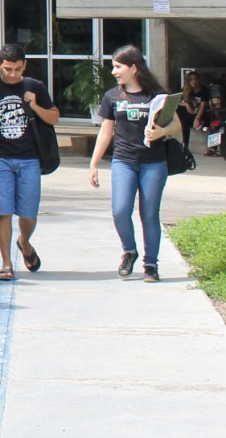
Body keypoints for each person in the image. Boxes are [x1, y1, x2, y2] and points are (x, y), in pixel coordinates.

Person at [89, 46, 180, 282]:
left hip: (154, 163)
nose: (114, 72)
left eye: (118, 67)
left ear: (134, 68)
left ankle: (151, 265)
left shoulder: (157, 95)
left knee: (149, 215)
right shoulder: (112, 96)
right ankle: (129, 251)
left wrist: (161, 132)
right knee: (120, 211)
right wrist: (94, 163)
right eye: (113, 67)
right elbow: (106, 133)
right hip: (123, 161)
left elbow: (176, 125)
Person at [0, 44, 59, 282]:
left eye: (18, 69)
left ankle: (24, 242)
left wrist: (35, 105)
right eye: (8, 69)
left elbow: (54, 117)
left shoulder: (34, 86)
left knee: (29, 214)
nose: (13, 75)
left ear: (25, 66)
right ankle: (6, 263)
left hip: (29, 159)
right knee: (3, 212)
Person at [177, 72, 206, 149]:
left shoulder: (204, 90)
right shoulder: (186, 90)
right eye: (191, 80)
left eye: (195, 79)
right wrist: (187, 105)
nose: (193, 81)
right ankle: (185, 145)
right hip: (189, 115)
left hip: (200, 115)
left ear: (198, 80)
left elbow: (203, 106)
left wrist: (197, 119)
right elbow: (178, 101)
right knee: (182, 117)